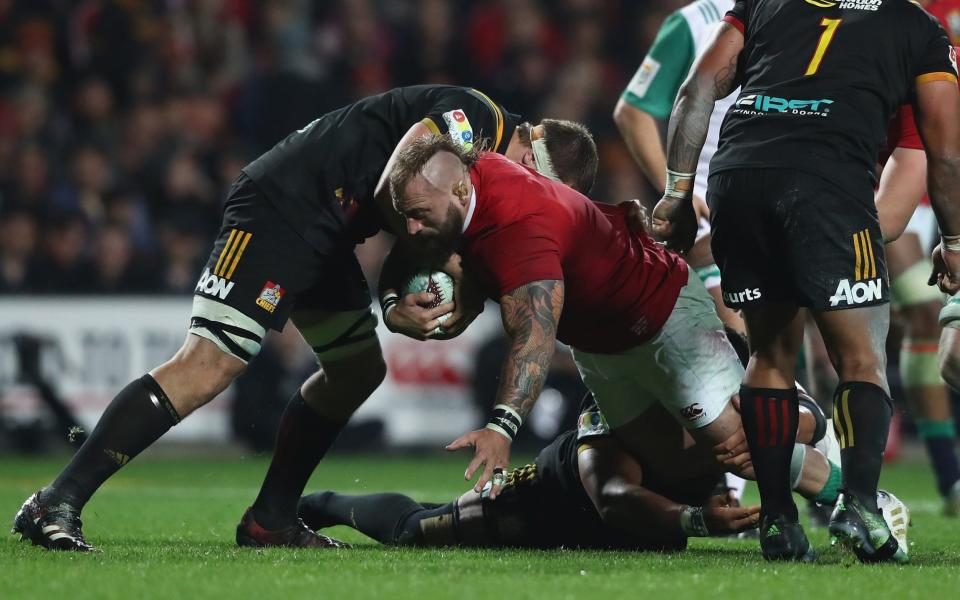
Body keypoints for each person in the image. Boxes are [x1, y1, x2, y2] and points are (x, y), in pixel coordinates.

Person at [12, 85, 598, 552]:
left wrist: (393, 302)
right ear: (532, 155)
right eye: (536, 187)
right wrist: (455, 264)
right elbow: (407, 178)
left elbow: (410, 218)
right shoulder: (478, 118)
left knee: (357, 369)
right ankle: (56, 501)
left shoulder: (484, 169)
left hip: (328, 231)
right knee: (211, 362)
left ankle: (270, 519)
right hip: (281, 204)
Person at [384, 135, 816, 555]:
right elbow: (611, 495)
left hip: (654, 319)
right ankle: (829, 463)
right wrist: (698, 519)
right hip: (592, 381)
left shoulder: (520, 224)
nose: (411, 226)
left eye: (419, 213)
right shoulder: (474, 188)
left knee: (738, 446)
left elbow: (534, 334)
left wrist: (500, 428)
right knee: (701, 457)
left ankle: (854, 492)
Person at [652, 0, 960, 563]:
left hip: (738, 178)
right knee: (861, 359)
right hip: (830, 182)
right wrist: (957, 241)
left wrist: (676, 192)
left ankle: (777, 522)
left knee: (769, 356)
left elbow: (695, 92)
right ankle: (861, 508)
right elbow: (946, 151)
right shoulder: (919, 26)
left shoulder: (764, 4)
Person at [298, 381, 851, 551]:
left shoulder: (725, 374)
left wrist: (766, 435)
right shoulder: (614, 400)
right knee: (419, 530)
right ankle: (315, 506)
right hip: (554, 499)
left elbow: (808, 416)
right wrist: (697, 519)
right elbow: (609, 495)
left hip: (644, 523)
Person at [613, 0, 744, 338]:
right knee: (745, 349)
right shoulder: (696, 21)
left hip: (783, 194)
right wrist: (678, 191)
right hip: (707, 206)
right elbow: (633, 110)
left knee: (820, 354)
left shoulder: (807, 14)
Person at [875, 85, 960, 516]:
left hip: (950, 195)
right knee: (926, 311)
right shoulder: (871, 19)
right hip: (894, 182)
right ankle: (950, 476)